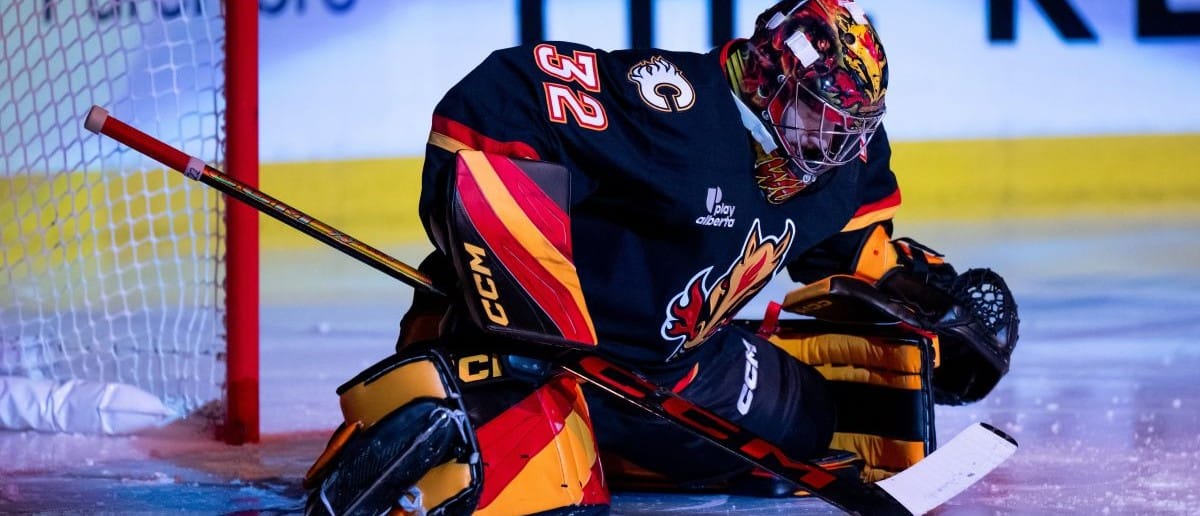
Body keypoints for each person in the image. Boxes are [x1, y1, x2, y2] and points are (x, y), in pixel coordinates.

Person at [302, 1, 1019, 514]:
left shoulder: (843, 157)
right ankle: (455, 384)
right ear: (769, 79)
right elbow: (488, 105)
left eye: (848, 127)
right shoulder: (676, 111)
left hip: (677, 362)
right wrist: (524, 299)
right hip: (552, 356)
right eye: (817, 115)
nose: (832, 144)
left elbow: (849, 237)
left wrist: (927, 299)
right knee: (525, 489)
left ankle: (620, 442)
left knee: (813, 423)